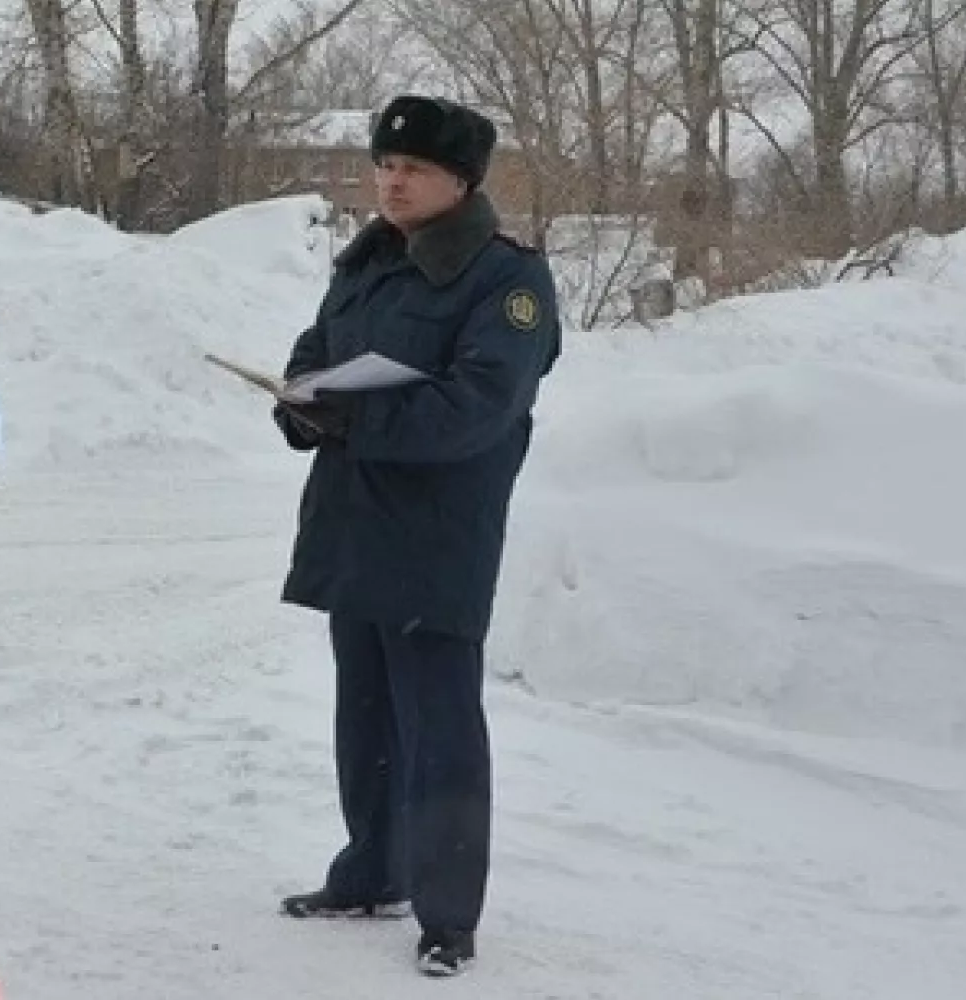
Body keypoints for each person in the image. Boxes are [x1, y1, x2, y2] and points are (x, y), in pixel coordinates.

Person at [271, 94, 561, 978]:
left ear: (461, 181)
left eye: (414, 170)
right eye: (385, 166)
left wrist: (352, 417)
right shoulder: (368, 259)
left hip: (438, 535)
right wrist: (301, 403)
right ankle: (371, 873)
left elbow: (476, 408)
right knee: (363, 716)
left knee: (438, 728)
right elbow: (317, 349)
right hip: (354, 521)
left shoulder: (506, 280)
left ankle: (447, 917)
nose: (392, 182)